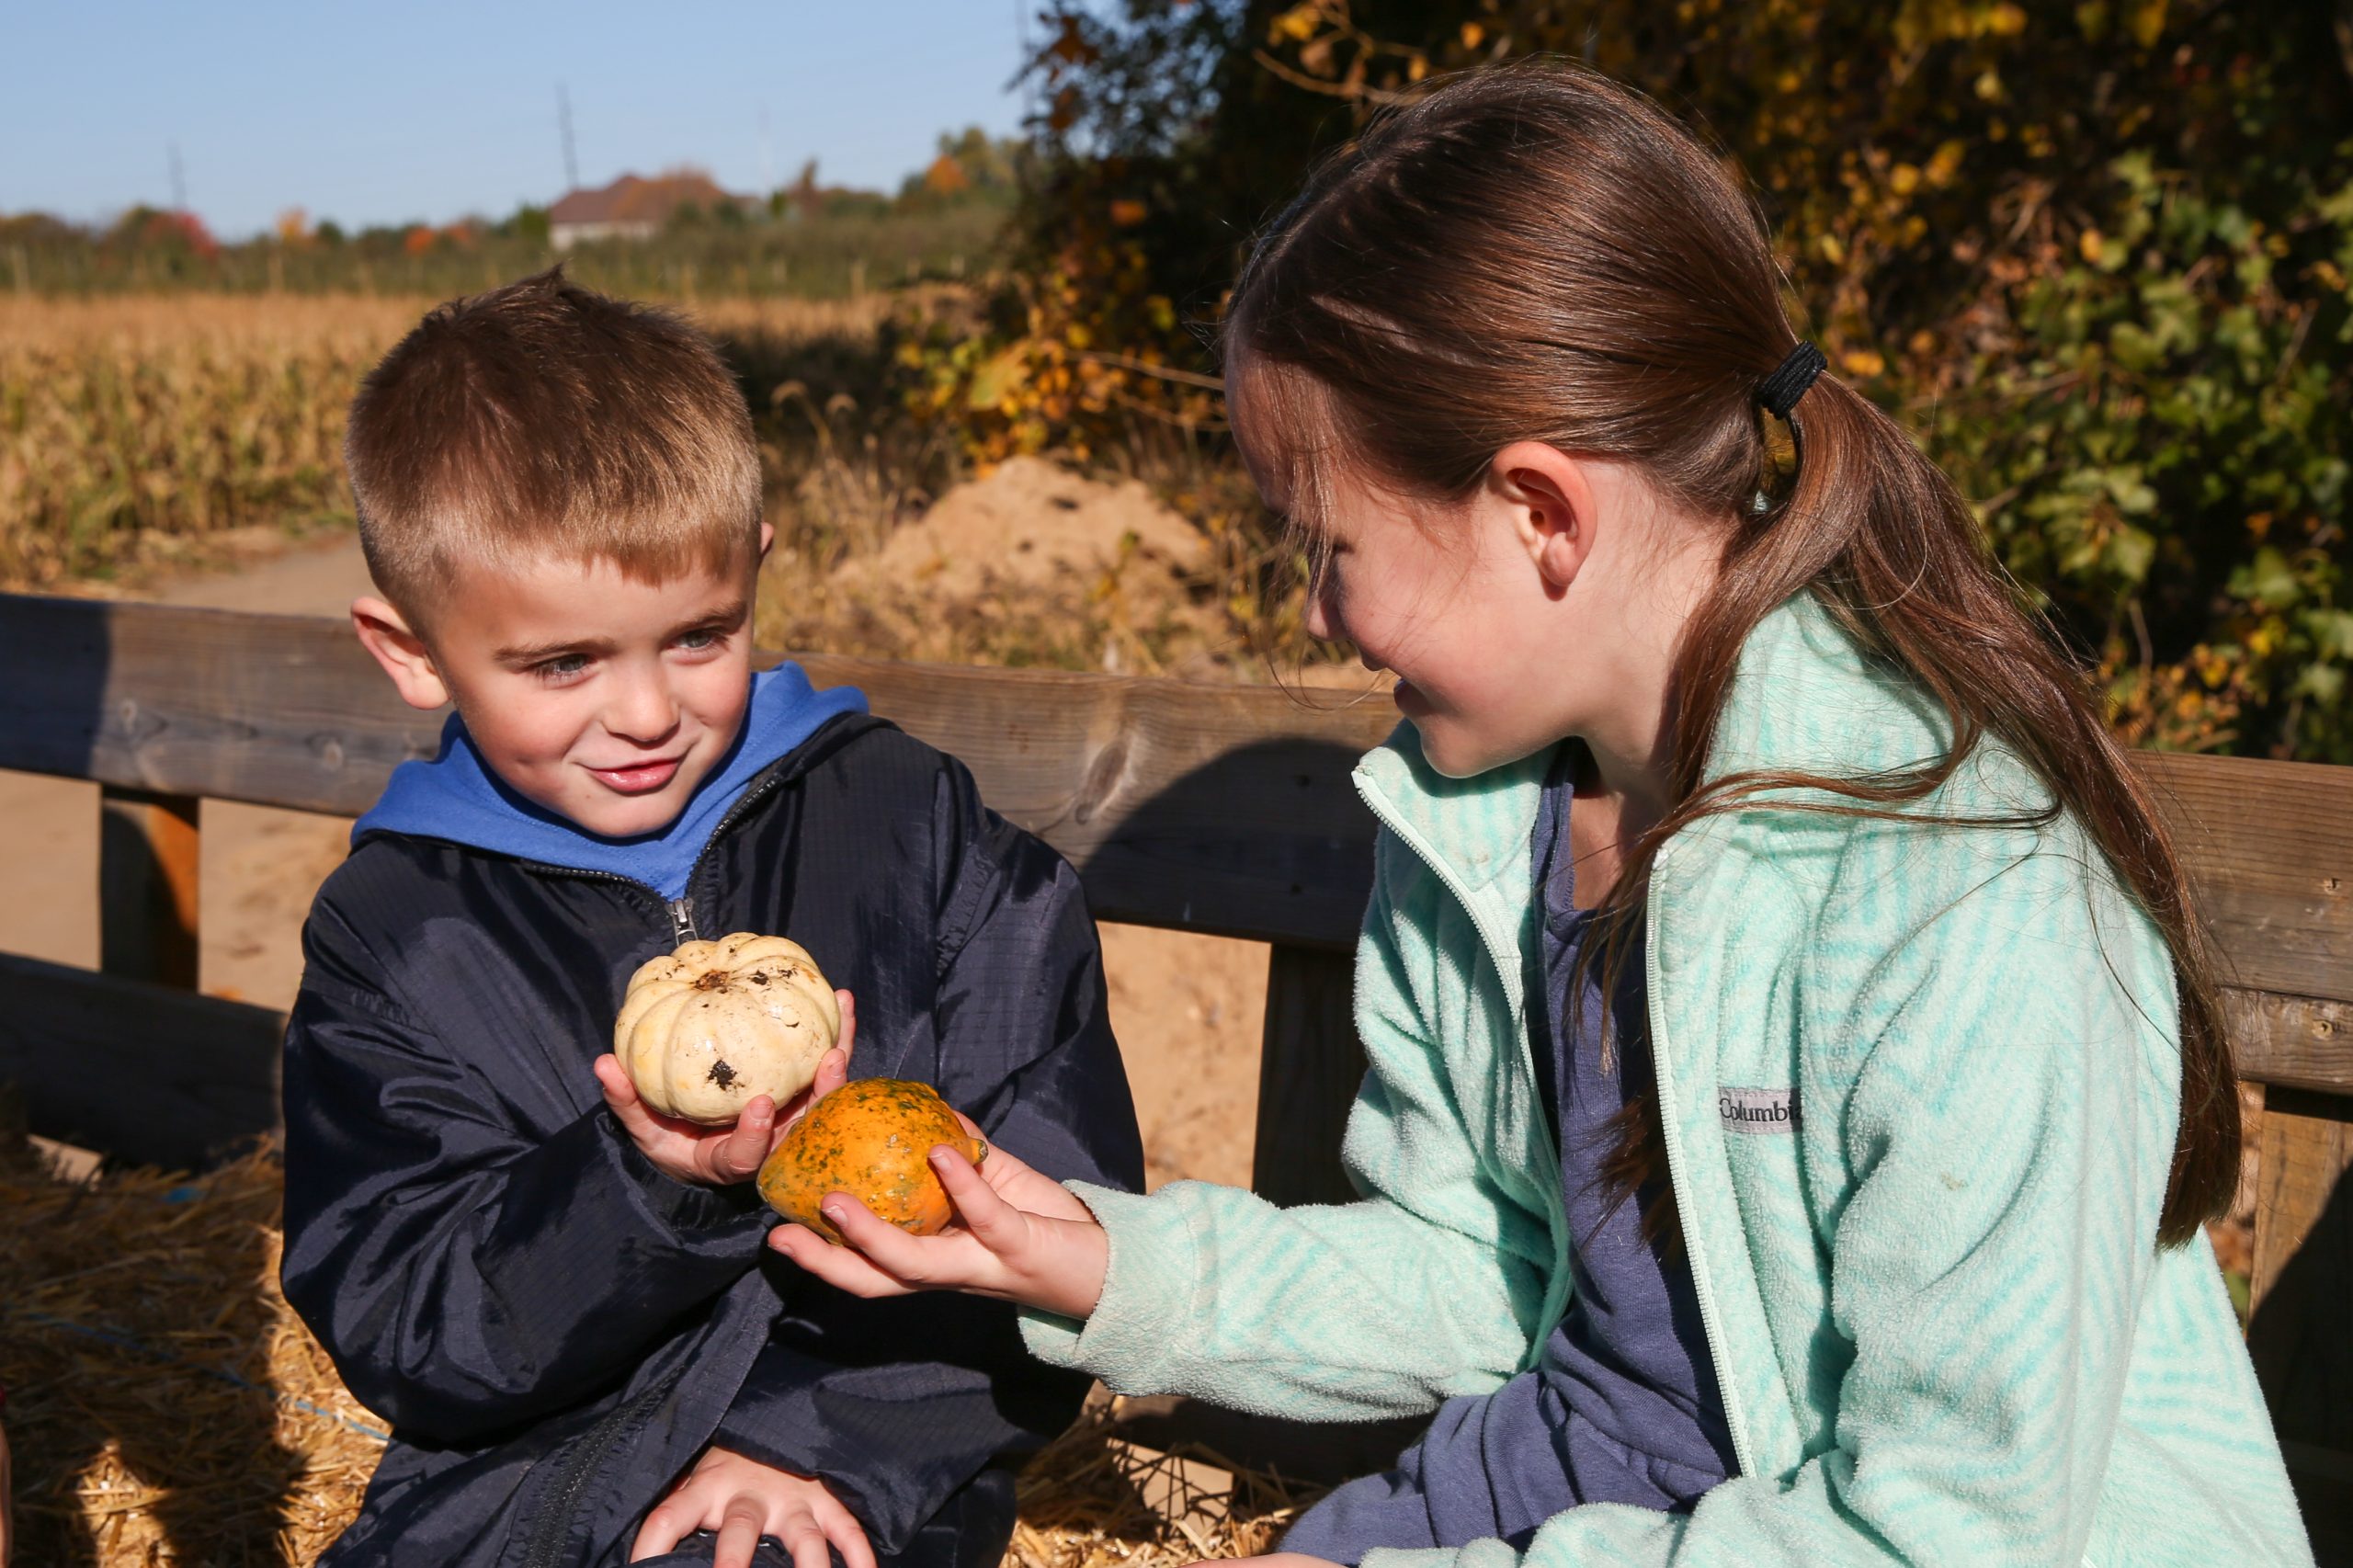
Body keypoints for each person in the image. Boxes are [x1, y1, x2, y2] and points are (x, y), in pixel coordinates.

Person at [766, 62, 2315, 1568]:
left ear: (1540, 513)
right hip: (1549, 1491)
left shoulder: (1957, 890)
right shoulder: (1483, 816)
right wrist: (1104, 1262)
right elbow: (1480, 1273)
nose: (1315, 614)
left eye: (1330, 547)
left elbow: (1942, 1529)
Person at [278, 269, 1143, 1568]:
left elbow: (1052, 1199)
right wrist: (641, 1186)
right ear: (409, 651)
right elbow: (408, 1314)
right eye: (563, 663)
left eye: (698, 635)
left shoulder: (911, 827)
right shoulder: (396, 931)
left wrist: (815, 1439)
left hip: (851, 1471)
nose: (642, 712)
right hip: (513, 1497)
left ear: (756, 573)